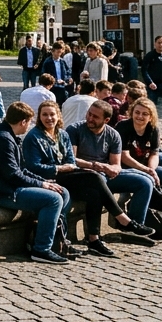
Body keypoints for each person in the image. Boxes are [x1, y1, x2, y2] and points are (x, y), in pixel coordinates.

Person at [23, 100, 153, 258]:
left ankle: (94, 240)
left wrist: (108, 168)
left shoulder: (62, 134)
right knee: (95, 177)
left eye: (52, 114)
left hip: (69, 175)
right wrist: (60, 168)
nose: (49, 118)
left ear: (58, 116)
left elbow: (71, 159)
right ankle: (124, 220)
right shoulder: (35, 137)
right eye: (45, 115)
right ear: (39, 117)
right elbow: (34, 167)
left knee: (95, 193)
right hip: (51, 178)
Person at [0, 101, 71, 264]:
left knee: (63, 192)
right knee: (53, 199)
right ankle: (41, 249)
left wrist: (44, 181)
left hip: (7, 186)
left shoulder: (9, 135)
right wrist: (42, 185)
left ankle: (57, 241)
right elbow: (13, 175)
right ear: (23, 122)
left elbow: (22, 170)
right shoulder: (2, 138)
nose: (30, 125)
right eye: (30, 121)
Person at [66, 100, 155, 228]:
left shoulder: (113, 135)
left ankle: (135, 226)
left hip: (105, 174)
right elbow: (72, 160)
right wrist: (95, 166)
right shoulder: (74, 130)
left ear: (106, 120)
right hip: (85, 175)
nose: (90, 118)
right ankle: (123, 222)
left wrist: (113, 169)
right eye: (89, 114)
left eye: (95, 117)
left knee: (145, 182)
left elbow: (116, 164)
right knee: (99, 179)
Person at [116, 98, 162, 216]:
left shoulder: (153, 129)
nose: (140, 116)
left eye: (145, 114)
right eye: (137, 112)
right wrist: (146, 170)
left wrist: (151, 170)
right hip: (125, 167)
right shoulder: (123, 127)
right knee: (146, 181)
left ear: (150, 117)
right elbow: (124, 156)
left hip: (144, 165)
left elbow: (154, 153)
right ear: (132, 113)